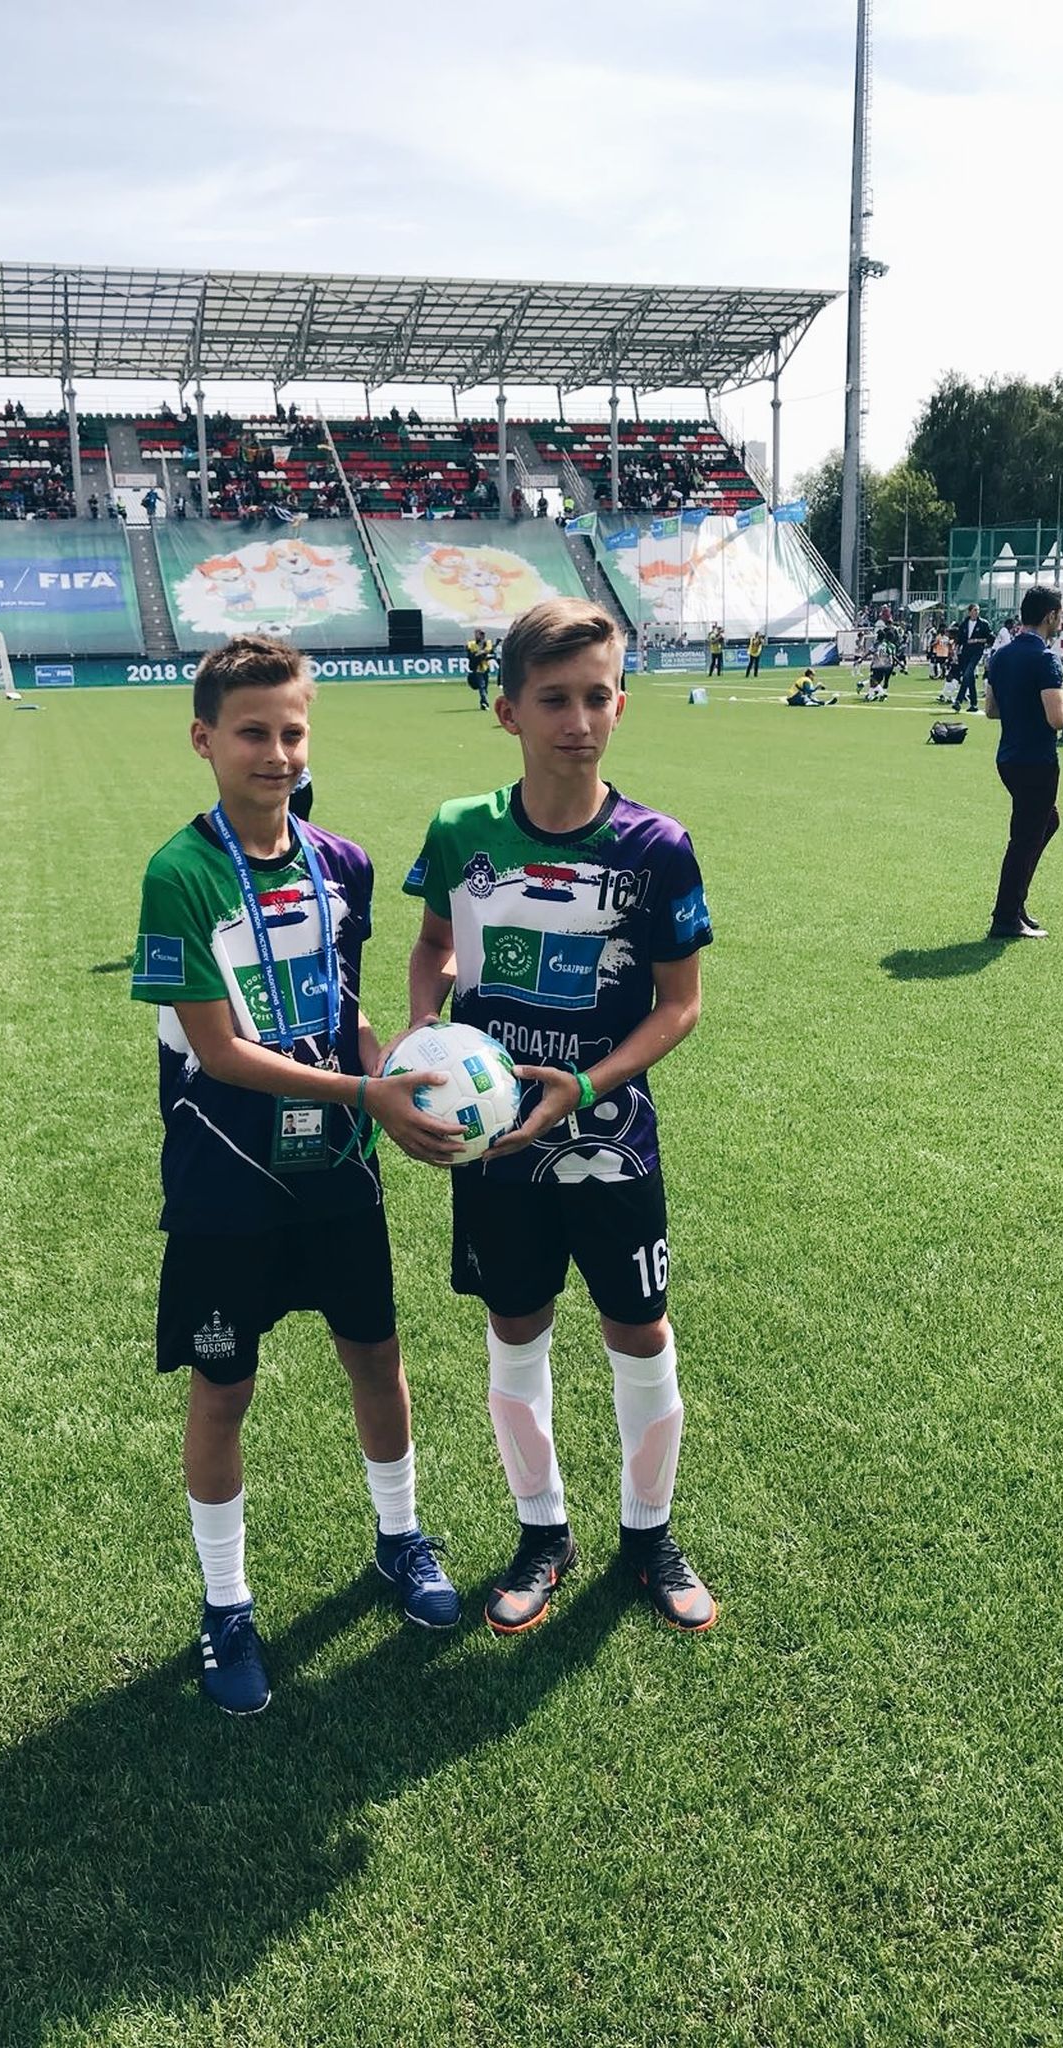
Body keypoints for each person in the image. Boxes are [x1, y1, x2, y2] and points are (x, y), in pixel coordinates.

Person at [130, 635, 464, 1716]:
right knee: (224, 1388)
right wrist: (368, 1093)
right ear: (204, 740)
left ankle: (399, 1536)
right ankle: (226, 1602)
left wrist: (396, 1069)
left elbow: (342, 1007)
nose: (275, 753)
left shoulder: (343, 864)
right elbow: (220, 1050)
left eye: (291, 731)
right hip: (226, 1172)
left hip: (336, 1165)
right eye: (252, 733)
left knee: (376, 1355)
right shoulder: (180, 875)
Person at [401, 597, 718, 1636]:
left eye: (597, 696)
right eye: (553, 699)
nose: (578, 720)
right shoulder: (461, 829)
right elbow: (434, 945)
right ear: (508, 711)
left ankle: (648, 1532)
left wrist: (584, 1085)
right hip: (498, 1144)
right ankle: (542, 1530)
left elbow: (680, 1003)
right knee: (515, 1326)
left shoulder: (657, 847)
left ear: (621, 703)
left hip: (611, 1136)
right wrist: (425, 1038)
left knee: (640, 1329)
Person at [983, 584, 1063, 940]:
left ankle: (1015, 904)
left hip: (1008, 758)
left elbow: (991, 710)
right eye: (1061, 614)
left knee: (1046, 822)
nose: (1062, 621)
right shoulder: (1045, 658)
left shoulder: (1000, 656)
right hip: (1036, 760)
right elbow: (1056, 717)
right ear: (1050, 616)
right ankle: (1006, 917)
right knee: (1024, 838)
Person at [951, 604, 992, 712]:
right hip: (966, 652)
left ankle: (958, 700)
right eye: (974, 610)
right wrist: (955, 652)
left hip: (977, 652)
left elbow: (990, 638)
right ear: (969, 612)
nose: (976, 612)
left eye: (977, 610)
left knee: (967, 673)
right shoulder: (964, 624)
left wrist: (977, 640)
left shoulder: (983, 624)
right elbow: (960, 639)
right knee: (970, 677)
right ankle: (973, 704)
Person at [465, 627, 493, 710]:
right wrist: (478, 654)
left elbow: (488, 650)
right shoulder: (472, 644)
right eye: (477, 634)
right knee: (482, 686)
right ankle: (485, 703)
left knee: (485, 687)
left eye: (481, 634)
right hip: (477, 668)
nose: (479, 636)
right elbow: (470, 652)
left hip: (485, 667)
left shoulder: (487, 642)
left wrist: (481, 652)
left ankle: (483, 702)